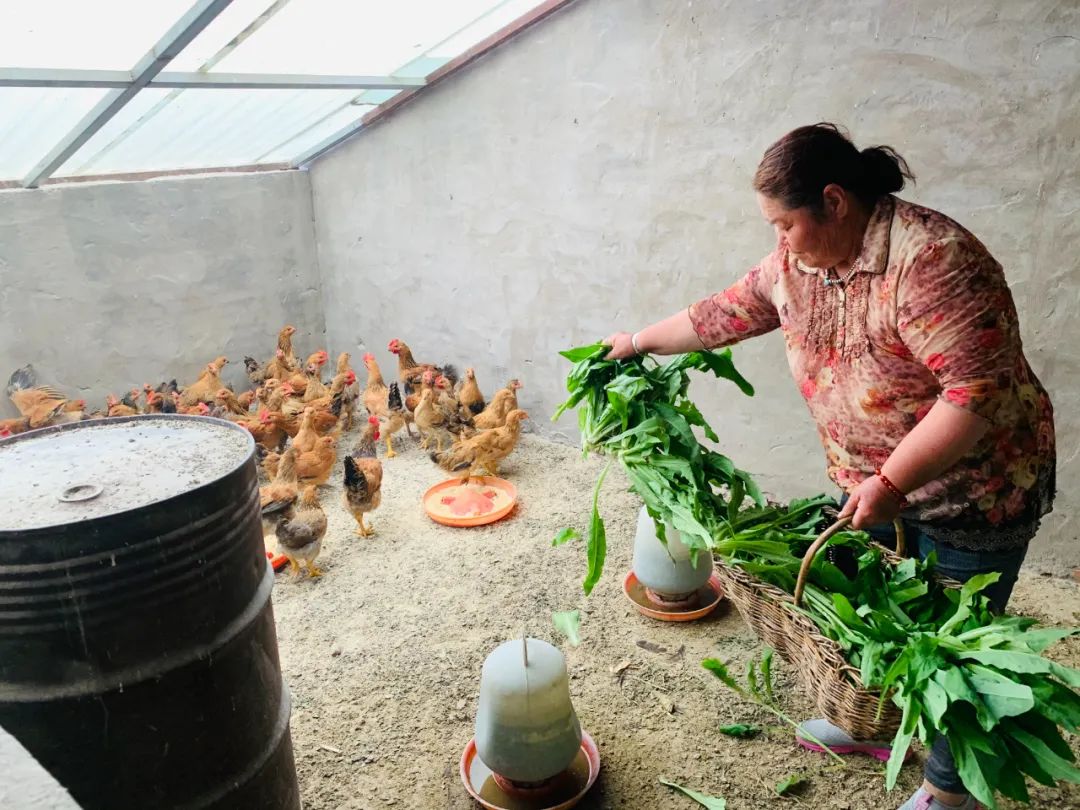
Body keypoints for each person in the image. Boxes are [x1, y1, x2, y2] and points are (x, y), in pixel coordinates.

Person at [604, 123, 1056, 810]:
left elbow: (973, 398)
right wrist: (635, 344)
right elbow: (721, 315)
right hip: (869, 486)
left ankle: (947, 790)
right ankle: (877, 728)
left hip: (974, 488)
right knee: (880, 620)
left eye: (786, 223)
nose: (778, 239)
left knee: (953, 645)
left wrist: (893, 481)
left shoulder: (934, 261)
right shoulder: (797, 266)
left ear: (836, 202)